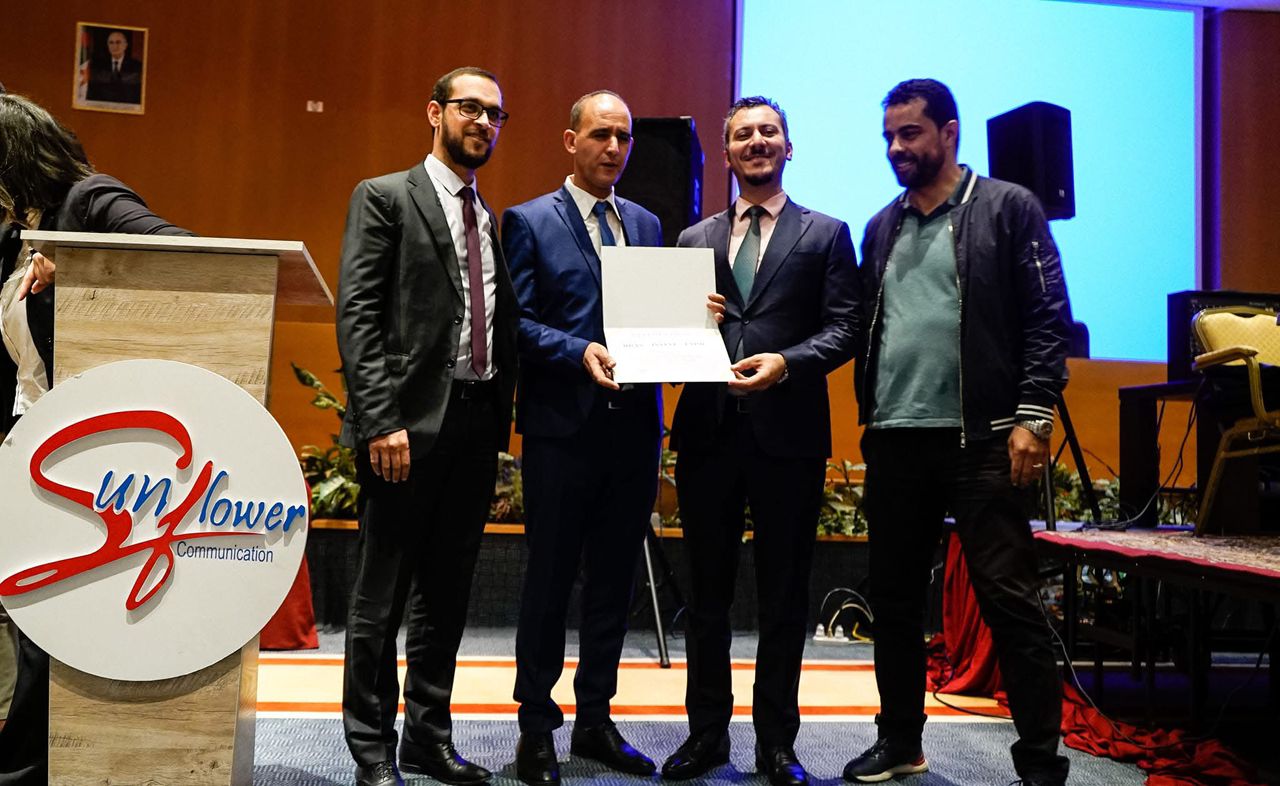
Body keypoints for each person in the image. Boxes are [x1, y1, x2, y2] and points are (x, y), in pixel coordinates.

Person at [843, 78, 1071, 786]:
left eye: (910, 133)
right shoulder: (881, 226)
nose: (896, 148)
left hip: (985, 439)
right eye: (889, 136)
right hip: (895, 438)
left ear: (949, 132)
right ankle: (900, 741)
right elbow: (862, 327)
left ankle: (1040, 760)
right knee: (894, 601)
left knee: (1009, 601)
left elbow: (1048, 319)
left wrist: (1034, 415)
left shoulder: (1008, 207)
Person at [662, 96, 858, 786]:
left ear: (788, 146)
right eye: (743, 134)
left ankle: (777, 743)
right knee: (705, 598)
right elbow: (666, 340)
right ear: (726, 153)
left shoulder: (827, 234)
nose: (756, 141)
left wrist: (788, 363)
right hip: (708, 434)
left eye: (768, 131)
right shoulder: (692, 239)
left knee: (784, 597)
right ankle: (706, 735)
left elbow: (846, 328)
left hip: (790, 435)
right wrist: (686, 324)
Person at [0, 93, 192, 786]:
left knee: (44, 611)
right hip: (29, 436)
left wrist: (83, 271)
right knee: (27, 610)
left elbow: (187, 257)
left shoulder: (90, 200)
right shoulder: (19, 230)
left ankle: (29, 764)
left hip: (83, 451)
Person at [336, 66, 517, 786]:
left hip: (474, 427)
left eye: (495, 114)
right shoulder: (386, 196)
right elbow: (358, 315)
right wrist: (381, 420)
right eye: (470, 108)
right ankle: (371, 747)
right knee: (379, 600)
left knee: (446, 596)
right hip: (403, 431)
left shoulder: (486, 216)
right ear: (434, 113)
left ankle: (426, 738)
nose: (484, 122)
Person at [500, 90, 665, 786]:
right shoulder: (529, 220)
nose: (614, 148)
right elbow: (514, 322)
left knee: (613, 587)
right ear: (571, 141)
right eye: (601, 134)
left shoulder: (648, 223)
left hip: (633, 433)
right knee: (548, 582)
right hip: (561, 431)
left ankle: (595, 719)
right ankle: (536, 727)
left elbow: (656, 318)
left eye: (623, 136)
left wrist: (694, 320)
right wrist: (578, 350)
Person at [86, 29, 143, 104]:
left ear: (125, 45)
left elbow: (138, 94)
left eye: (118, 42)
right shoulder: (98, 66)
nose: (114, 46)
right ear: (108, 45)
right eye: (111, 43)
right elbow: (93, 93)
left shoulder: (137, 66)